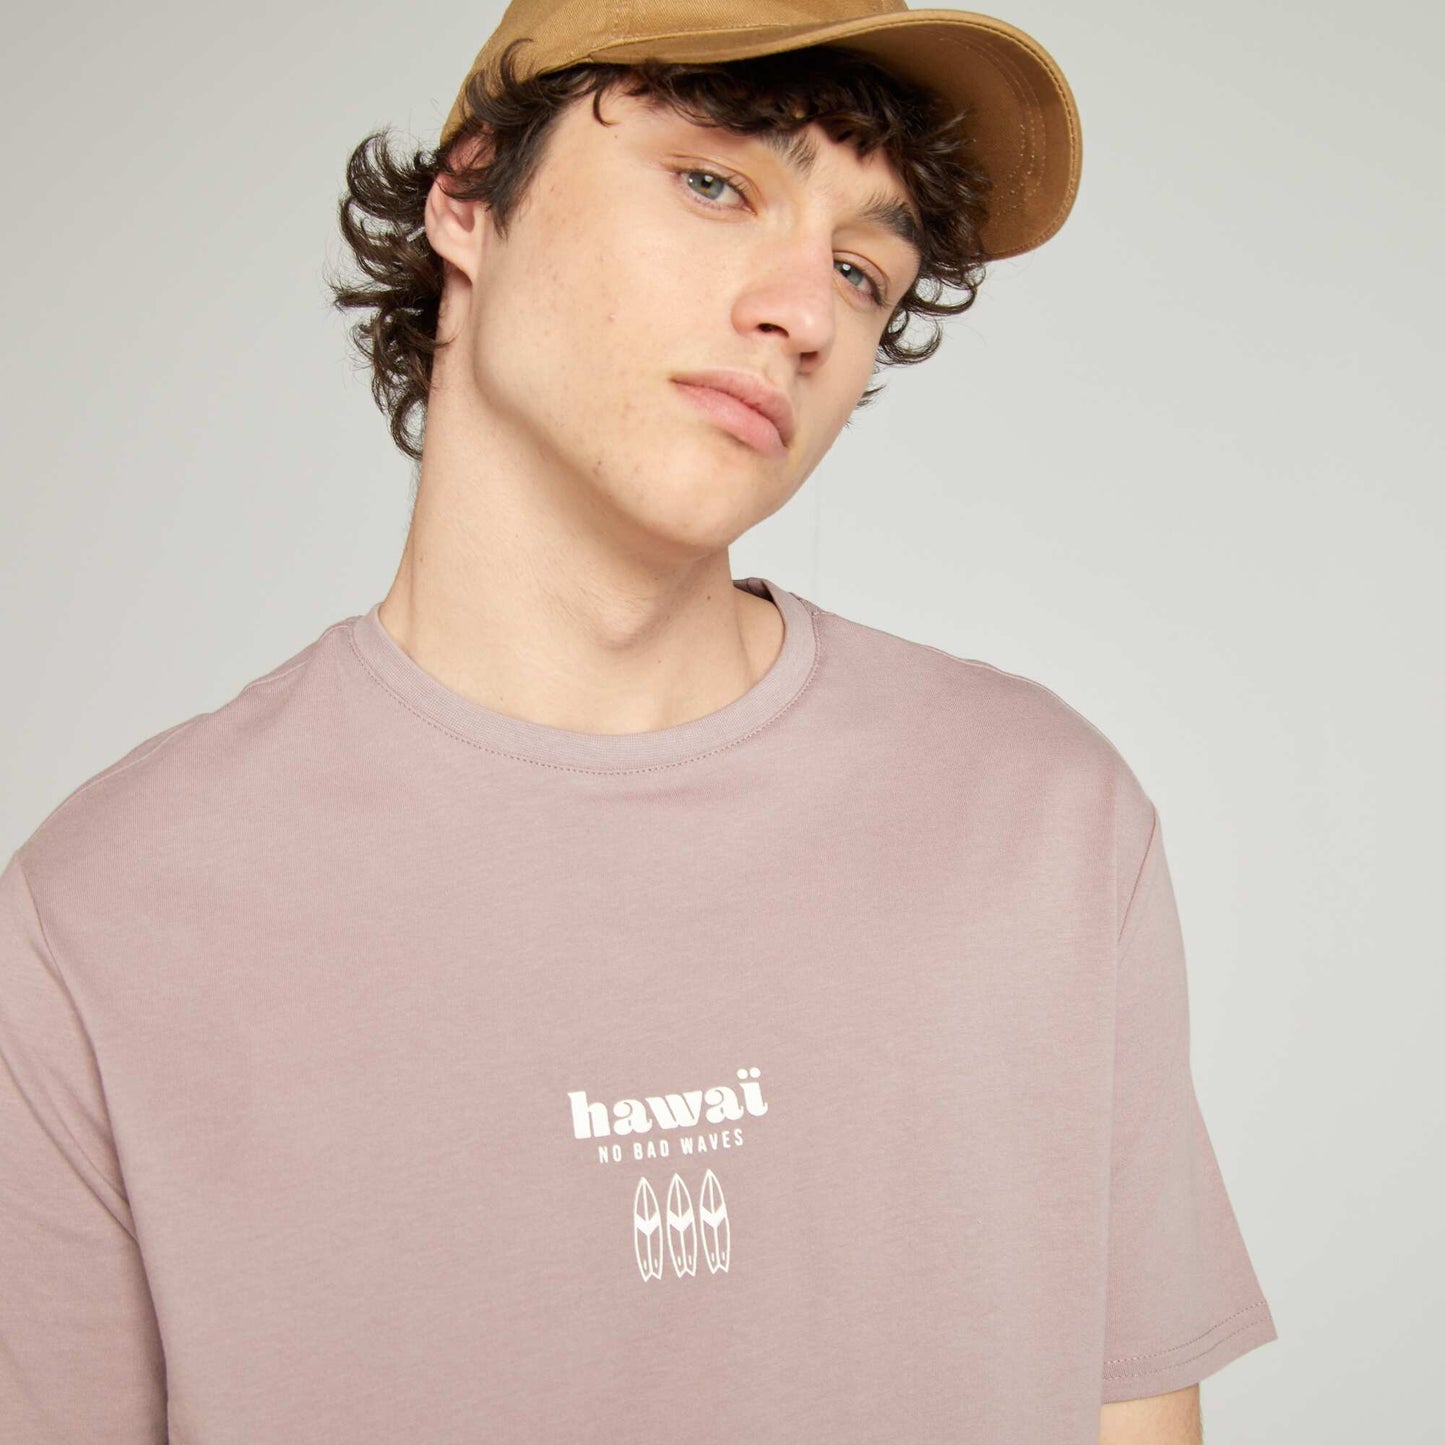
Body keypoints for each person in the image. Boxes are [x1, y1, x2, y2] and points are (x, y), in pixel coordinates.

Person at [0, 0, 1278, 1440]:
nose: (803, 313)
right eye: (715, 184)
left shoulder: (1043, 828)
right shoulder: (107, 918)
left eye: (861, 269)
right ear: (470, 194)